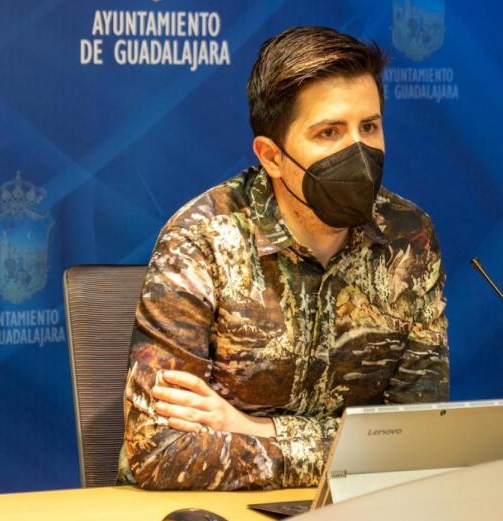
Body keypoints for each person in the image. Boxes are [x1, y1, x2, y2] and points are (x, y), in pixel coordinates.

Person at [119, 26, 449, 490]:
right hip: (212, 520)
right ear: (271, 157)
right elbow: (161, 450)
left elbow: (418, 440)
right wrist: (350, 452)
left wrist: (257, 429)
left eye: (369, 127)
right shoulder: (202, 239)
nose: (358, 152)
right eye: (329, 132)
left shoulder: (408, 237)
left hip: (353, 516)